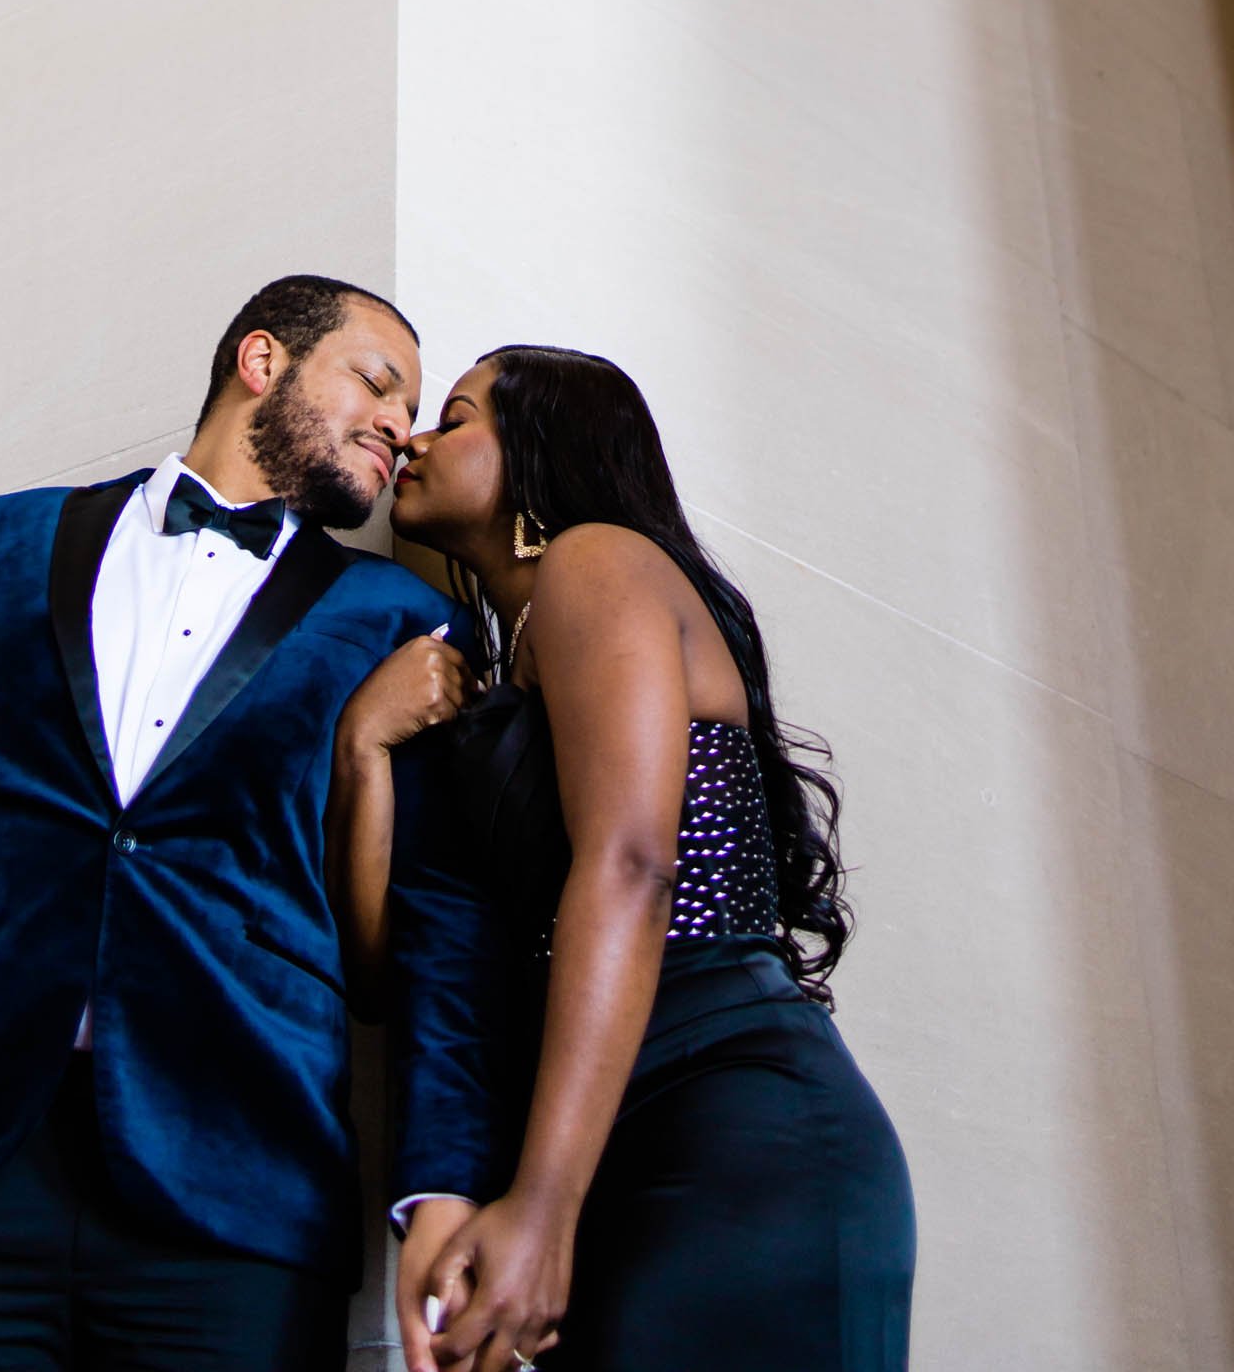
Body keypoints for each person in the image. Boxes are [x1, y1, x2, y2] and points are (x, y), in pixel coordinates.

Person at [0, 274, 512, 1372]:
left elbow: (444, 923)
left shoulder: (403, 624)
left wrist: (438, 1183)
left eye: (411, 408)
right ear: (262, 362)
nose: (399, 428)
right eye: (376, 381)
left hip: (243, 1200)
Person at [330, 344, 916, 1372]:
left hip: (729, 1126)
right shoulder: (490, 663)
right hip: (602, 1139)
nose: (412, 437)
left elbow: (631, 866)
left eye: (454, 416)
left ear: (538, 453)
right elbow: (386, 972)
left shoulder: (593, 561)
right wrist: (363, 753)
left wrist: (543, 1210)